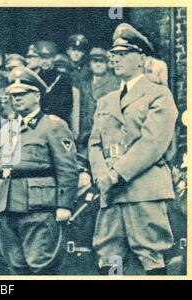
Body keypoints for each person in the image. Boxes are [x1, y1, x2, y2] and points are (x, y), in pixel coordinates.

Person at [88, 23, 177, 276]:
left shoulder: (158, 95)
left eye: (124, 54)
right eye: (114, 54)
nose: (116, 59)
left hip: (143, 190)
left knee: (150, 256)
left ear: (142, 59)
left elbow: (153, 143)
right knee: (109, 258)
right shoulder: (105, 100)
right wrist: (101, 174)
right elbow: (94, 144)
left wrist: (115, 173)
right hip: (111, 193)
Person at [0, 66, 78, 275]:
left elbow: (68, 169)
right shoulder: (7, 128)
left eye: (22, 94)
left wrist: (64, 204)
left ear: (36, 96)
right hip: (6, 207)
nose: (16, 99)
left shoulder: (52, 126)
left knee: (40, 264)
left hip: (39, 207)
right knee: (15, 266)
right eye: (13, 95)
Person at [76, 47, 120, 155]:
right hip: (86, 135)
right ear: (90, 64)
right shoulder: (84, 84)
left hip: (107, 133)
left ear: (107, 64)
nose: (98, 64)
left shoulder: (116, 83)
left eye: (102, 61)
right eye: (95, 61)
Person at [34, 40, 75, 128]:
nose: (44, 61)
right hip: (39, 124)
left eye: (47, 58)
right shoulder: (34, 78)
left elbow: (66, 106)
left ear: (53, 58)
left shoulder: (63, 79)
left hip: (58, 123)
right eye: (41, 58)